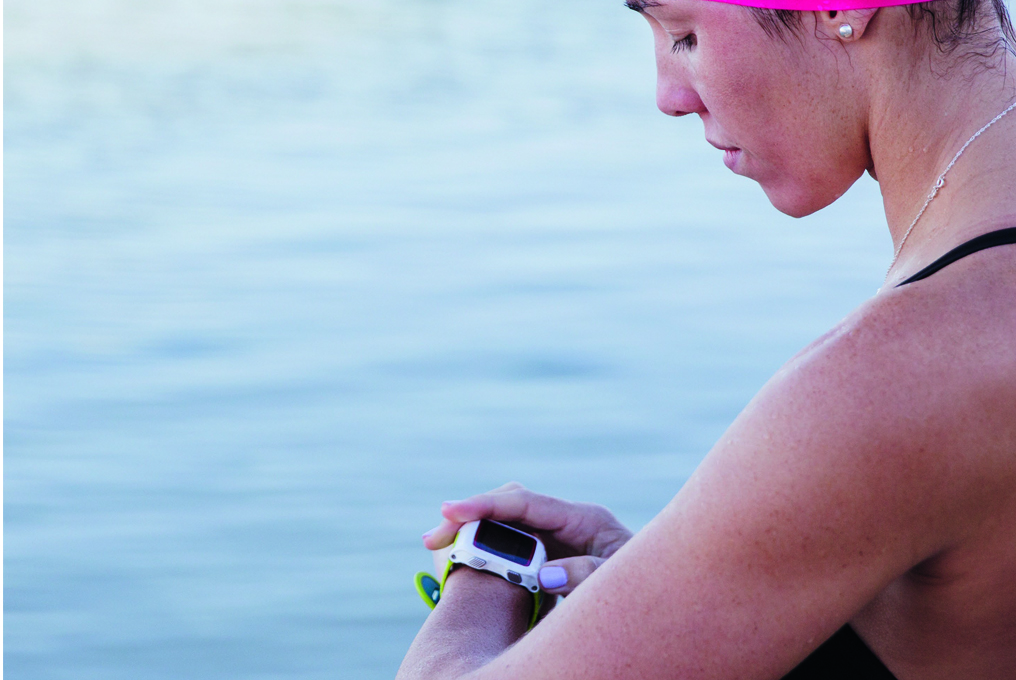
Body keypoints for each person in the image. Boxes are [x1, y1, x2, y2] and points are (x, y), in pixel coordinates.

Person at [397, 0, 1016, 676]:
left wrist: (488, 572)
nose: (668, 96)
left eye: (684, 34)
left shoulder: (892, 385)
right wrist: (673, 581)